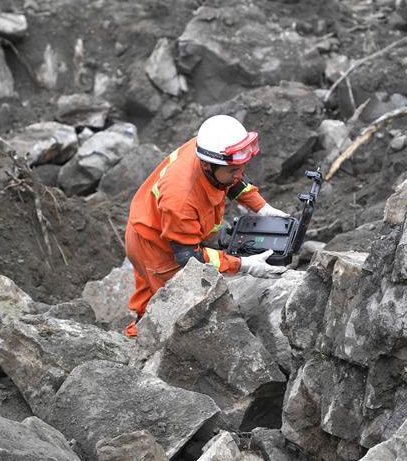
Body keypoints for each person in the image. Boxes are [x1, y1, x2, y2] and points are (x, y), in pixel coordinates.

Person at [124, 114, 290, 337]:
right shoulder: (181, 197)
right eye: (234, 170)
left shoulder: (209, 149)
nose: (239, 174)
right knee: (177, 308)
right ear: (208, 165)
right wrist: (243, 265)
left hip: (150, 222)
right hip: (155, 247)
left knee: (152, 298)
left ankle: (140, 332)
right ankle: (147, 348)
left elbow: (230, 178)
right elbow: (188, 257)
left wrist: (261, 207)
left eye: (241, 167)